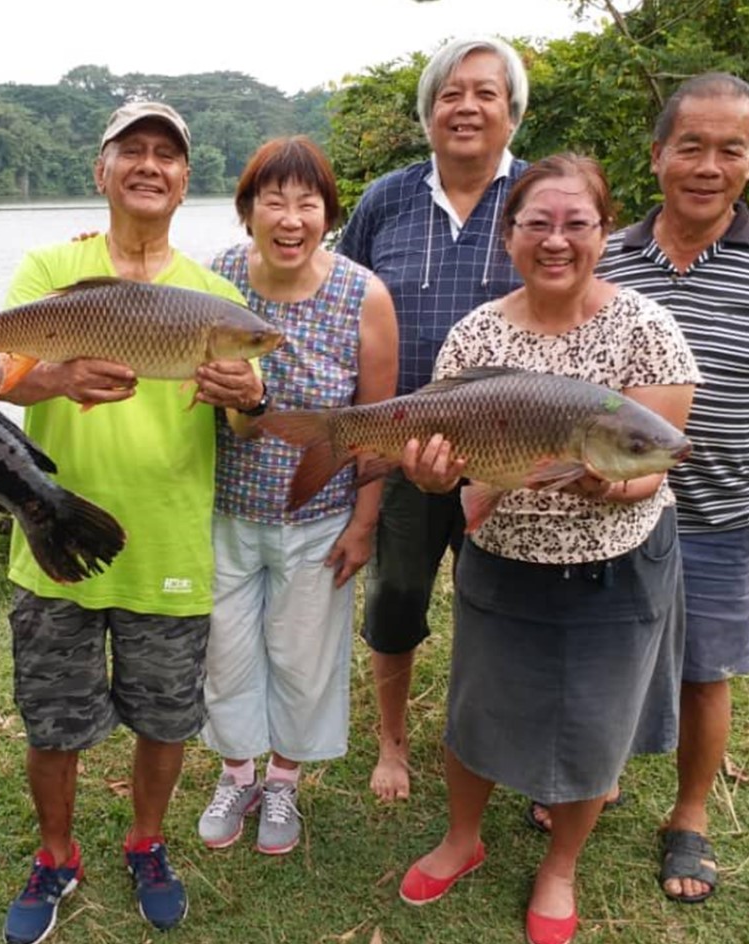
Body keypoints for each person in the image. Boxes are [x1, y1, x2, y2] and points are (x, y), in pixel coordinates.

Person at [395, 155, 700, 944]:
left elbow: (659, 458)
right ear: (510, 235)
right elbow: (450, 482)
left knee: (597, 728)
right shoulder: (476, 334)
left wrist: (607, 484)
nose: (557, 241)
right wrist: (433, 476)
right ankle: (463, 839)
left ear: (604, 232)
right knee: (477, 710)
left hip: (618, 567)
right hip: (501, 557)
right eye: (538, 223)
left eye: (577, 224)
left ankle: (560, 865)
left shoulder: (647, 330)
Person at [0, 102, 263, 944]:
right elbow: (2, 374)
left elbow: (246, 423)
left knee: (164, 718)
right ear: (102, 171)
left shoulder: (215, 296)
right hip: (56, 538)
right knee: (53, 718)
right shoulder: (50, 265)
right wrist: (59, 377)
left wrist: (251, 399)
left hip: (169, 543)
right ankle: (55, 852)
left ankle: (147, 841)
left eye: (167, 155)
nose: (151, 165)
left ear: (186, 181)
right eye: (132, 152)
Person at [594, 73, 749, 904]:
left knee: (706, 672)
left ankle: (690, 817)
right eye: (690, 145)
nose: (708, 165)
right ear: (658, 153)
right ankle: (603, 777)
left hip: (720, 513)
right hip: (612, 508)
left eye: (729, 149)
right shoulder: (610, 254)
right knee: (610, 654)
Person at [335, 36, 530, 802]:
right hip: (402, 445)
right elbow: (334, 291)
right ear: (426, 115)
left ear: (512, 112)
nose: (467, 107)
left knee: (513, 606)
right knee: (395, 600)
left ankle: (507, 747)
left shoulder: (537, 197)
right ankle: (392, 742)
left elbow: (599, 276)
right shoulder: (386, 198)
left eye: (486, 92)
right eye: (450, 94)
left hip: (517, 452)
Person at [196, 137, 398, 855]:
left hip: (321, 513)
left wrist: (364, 523)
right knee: (227, 651)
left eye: (306, 202)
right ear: (246, 210)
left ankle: (283, 782)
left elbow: (377, 424)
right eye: (272, 201)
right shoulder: (213, 279)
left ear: (328, 213)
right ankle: (237, 771)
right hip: (222, 506)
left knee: (304, 654)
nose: (290, 218)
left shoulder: (363, 294)